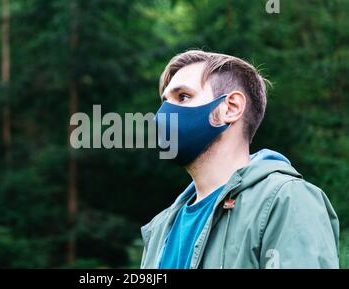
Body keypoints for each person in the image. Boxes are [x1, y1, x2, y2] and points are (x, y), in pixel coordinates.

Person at [140, 50, 339, 269]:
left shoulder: (286, 200)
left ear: (231, 108)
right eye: (165, 101)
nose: (163, 114)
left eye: (183, 97)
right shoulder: (160, 229)